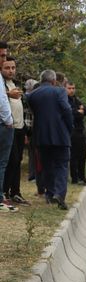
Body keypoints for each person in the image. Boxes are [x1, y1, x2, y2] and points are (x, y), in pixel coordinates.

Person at [27, 69, 73, 210]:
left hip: (41, 136)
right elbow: (67, 110)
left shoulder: (31, 95)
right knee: (61, 165)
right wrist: (69, 127)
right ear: (53, 81)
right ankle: (59, 194)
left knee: (46, 166)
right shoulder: (59, 91)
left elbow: (34, 113)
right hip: (60, 134)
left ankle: (49, 193)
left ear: (41, 81)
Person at [2, 56, 29, 206]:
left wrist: (24, 130)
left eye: (13, 67)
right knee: (10, 161)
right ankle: (4, 192)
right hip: (7, 128)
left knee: (17, 161)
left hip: (19, 129)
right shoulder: (2, 85)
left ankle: (15, 192)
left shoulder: (15, 84)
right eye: (7, 67)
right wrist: (8, 94)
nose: (11, 70)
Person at [0, 41, 17, 213]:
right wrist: (8, 120)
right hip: (4, 125)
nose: (3, 59)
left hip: (6, 124)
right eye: (1, 56)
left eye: (5, 55)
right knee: (2, 163)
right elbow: (2, 103)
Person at [66, 82, 86, 185]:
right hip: (72, 131)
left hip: (80, 131)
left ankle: (82, 176)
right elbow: (70, 113)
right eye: (69, 88)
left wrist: (81, 111)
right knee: (74, 156)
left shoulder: (76, 99)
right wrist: (78, 112)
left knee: (83, 155)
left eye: (73, 88)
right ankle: (74, 178)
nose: (72, 90)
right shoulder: (65, 100)